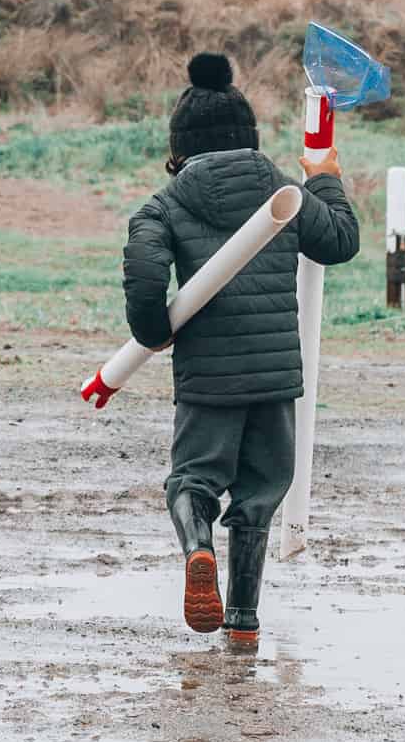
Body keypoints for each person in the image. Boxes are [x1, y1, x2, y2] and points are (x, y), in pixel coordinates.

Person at [122, 53, 359, 647]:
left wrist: (154, 333)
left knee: (193, 482)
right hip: (277, 377)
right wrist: (323, 174)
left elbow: (146, 275)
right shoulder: (286, 191)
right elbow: (342, 242)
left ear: (180, 145)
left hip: (209, 377)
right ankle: (245, 623)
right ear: (249, 138)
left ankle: (198, 550)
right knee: (258, 496)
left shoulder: (165, 203)